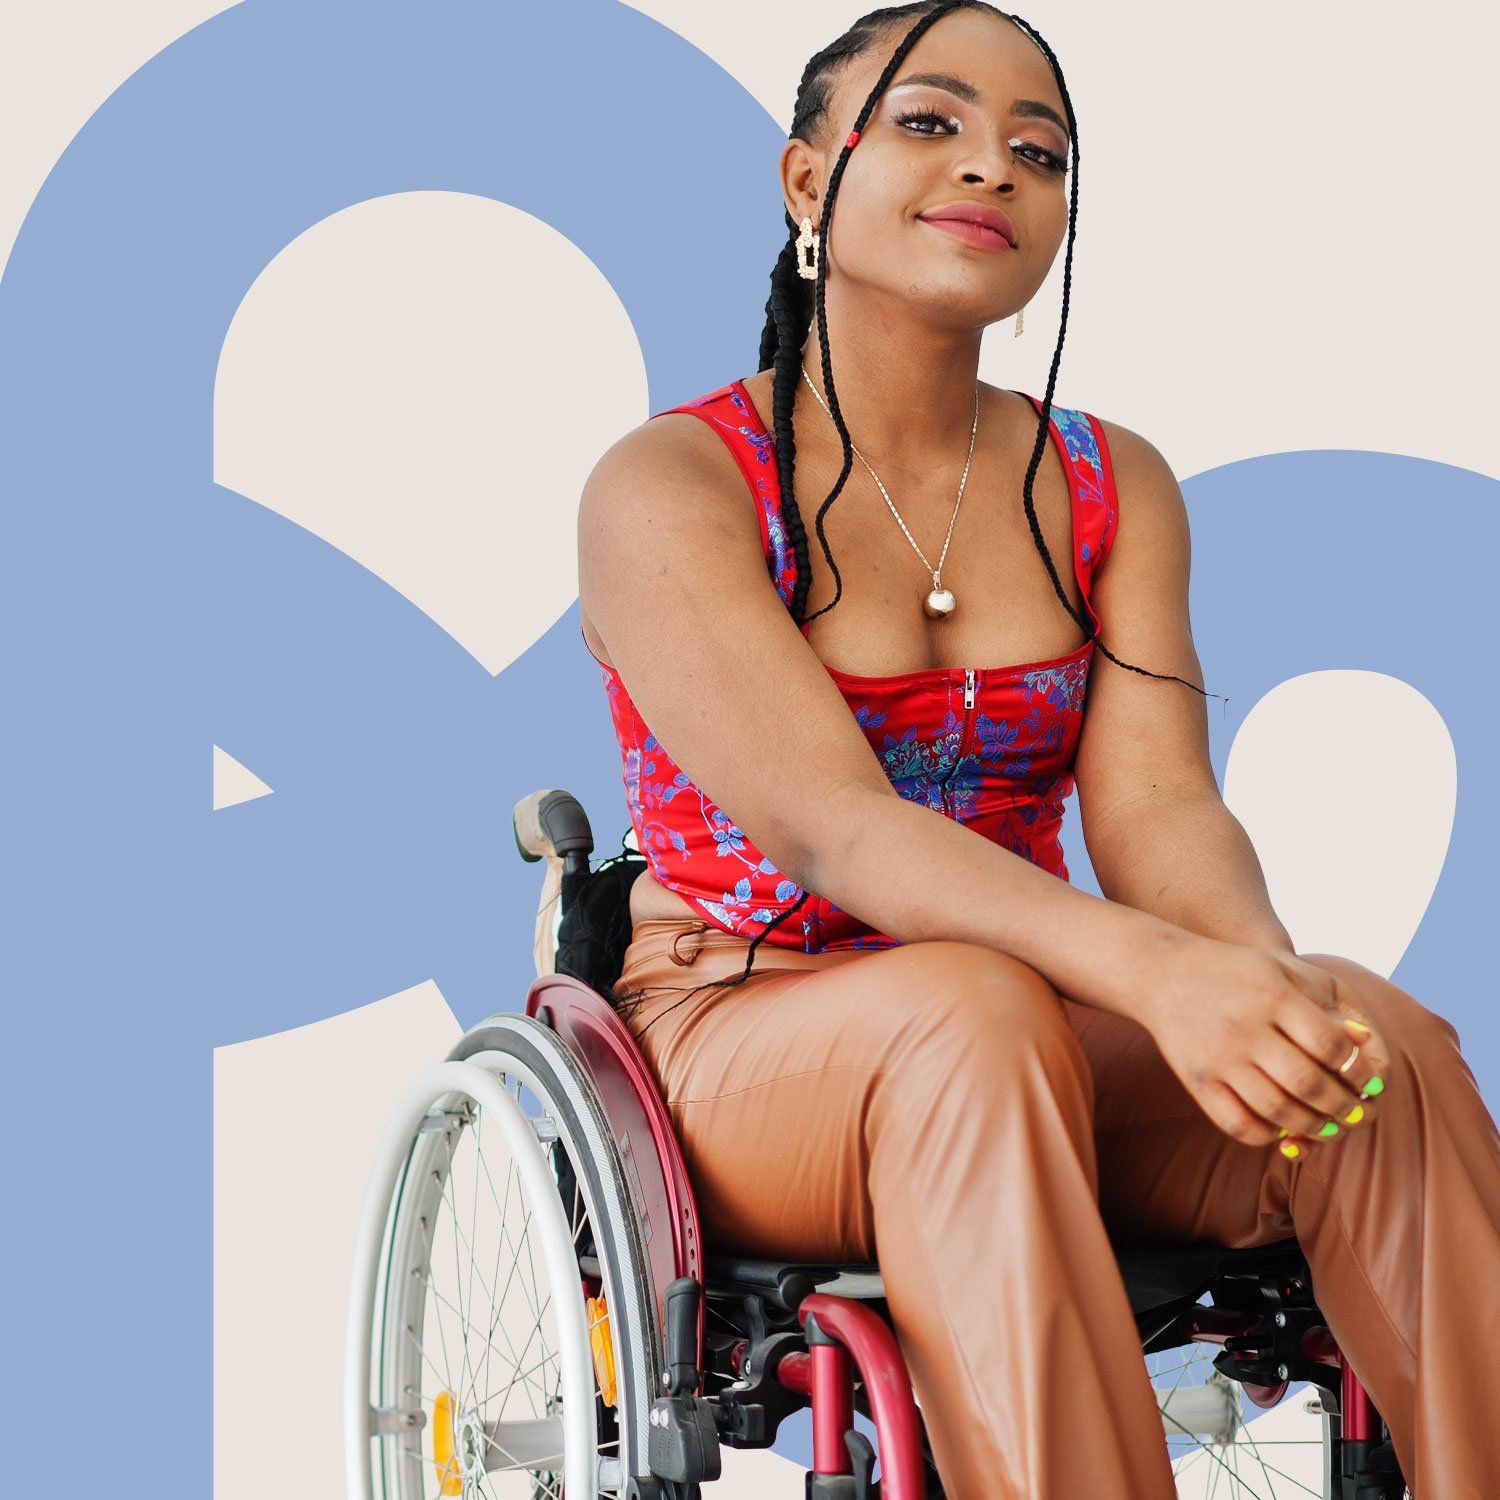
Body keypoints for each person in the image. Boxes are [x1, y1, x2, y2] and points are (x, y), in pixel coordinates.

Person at [575, 4, 1500, 1495]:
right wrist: (1152, 976)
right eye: (931, 124)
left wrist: (1250, 992)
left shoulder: (1104, 484)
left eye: (1039, 151)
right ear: (809, 183)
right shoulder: (672, 485)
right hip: (741, 1031)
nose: (993, 170)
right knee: (972, 1014)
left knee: (1369, 1044)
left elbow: (1161, 811)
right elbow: (836, 830)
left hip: (1028, 1018)